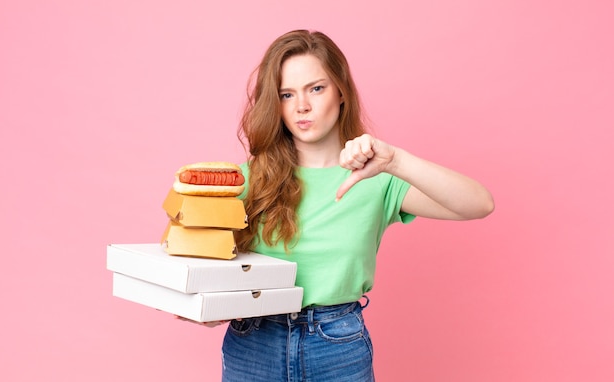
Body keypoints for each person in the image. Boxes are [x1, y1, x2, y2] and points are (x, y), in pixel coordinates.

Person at [187, 29, 494, 381]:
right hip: (254, 342)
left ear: (341, 91)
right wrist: (203, 303)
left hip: (336, 343)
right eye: (287, 94)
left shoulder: (377, 178)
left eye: (316, 88)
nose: (302, 106)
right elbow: (195, 255)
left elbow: (479, 203)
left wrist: (396, 160)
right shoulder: (247, 179)